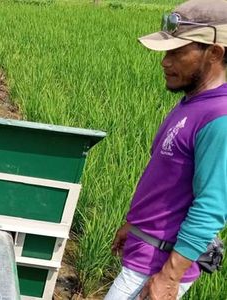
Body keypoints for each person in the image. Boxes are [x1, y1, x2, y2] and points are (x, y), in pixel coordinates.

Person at [105, 1, 227, 299]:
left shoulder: (220, 117)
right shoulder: (192, 103)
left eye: (176, 52)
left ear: (214, 52)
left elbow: (211, 207)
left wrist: (170, 277)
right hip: (145, 251)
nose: (165, 62)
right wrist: (134, 225)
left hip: (159, 265)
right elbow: (166, 179)